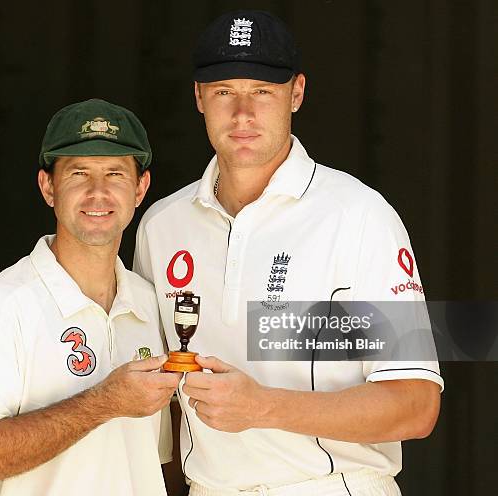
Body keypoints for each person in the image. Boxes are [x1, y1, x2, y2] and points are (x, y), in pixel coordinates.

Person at [134, 10, 443, 496]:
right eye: (223, 92)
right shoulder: (162, 226)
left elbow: (416, 404)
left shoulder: (358, 216)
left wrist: (263, 407)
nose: (242, 114)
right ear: (198, 97)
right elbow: (162, 401)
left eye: (262, 91)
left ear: (296, 93)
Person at [0, 98, 181, 496]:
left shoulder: (149, 303)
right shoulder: (0, 304)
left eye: (115, 174)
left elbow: (157, 460)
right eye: (78, 174)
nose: (97, 192)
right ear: (48, 186)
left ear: (141, 188)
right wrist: (104, 401)